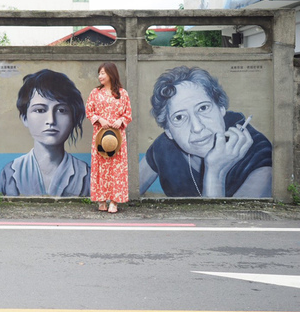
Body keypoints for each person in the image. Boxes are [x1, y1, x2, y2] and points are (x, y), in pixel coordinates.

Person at [140, 66, 272, 198]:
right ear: (169, 131)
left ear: (221, 108)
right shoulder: (164, 146)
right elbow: (124, 192)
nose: (197, 127)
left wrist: (216, 172)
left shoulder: (258, 154)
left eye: (203, 108)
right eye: (179, 117)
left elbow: (223, 218)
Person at [0, 69, 90, 197]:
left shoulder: (86, 175)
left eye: (61, 110)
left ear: (73, 118)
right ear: (25, 118)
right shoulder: (11, 173)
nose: (51, 121)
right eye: (40, 110)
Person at [86, 63, 132, 213]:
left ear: (111, 74)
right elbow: (89, 111)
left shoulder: (122, 93)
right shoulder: (95, 93)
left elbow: (128, 113)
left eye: (103, 73)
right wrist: (99, 119)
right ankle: (101, 200)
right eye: (99, 73)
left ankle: (114, 201)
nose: (100, 76)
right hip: (100, 135)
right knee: (100, 167)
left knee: (117, 169)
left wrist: (121, 121)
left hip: (117, 136)